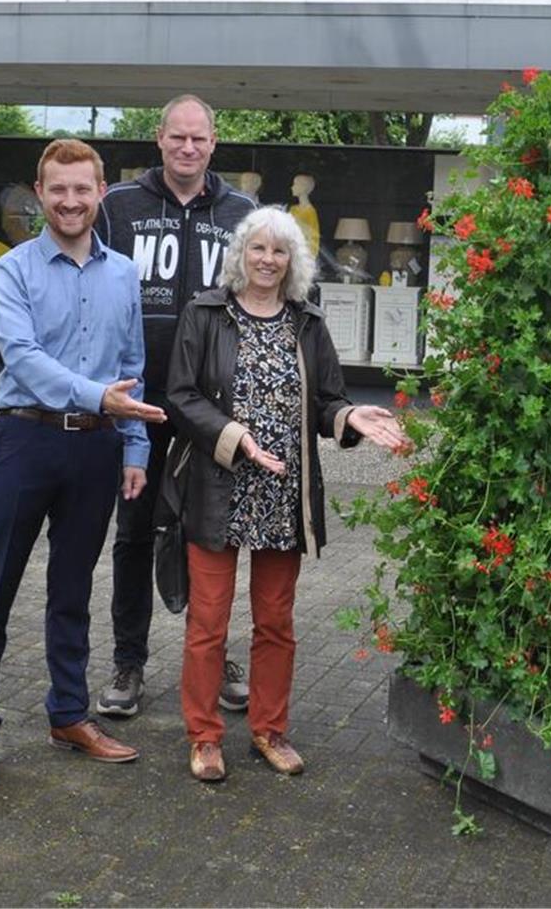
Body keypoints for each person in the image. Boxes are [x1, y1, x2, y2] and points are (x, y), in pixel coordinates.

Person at [164, 207, 409, 782]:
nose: (268, 260)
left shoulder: (307, 322)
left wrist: (350, 414)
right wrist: (235, 436)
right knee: (208, 624)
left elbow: (327, 401)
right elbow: (180, 396)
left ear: (292, 262)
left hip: (282, 494)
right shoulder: (204, 314)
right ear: (240, 256)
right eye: (258, 249)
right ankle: (204, 737)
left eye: (279, 251)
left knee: (275, 622)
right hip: (218, 489)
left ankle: (270, 730)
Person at [0, 138, 168, 788]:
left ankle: (69, 713)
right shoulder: (12, 270)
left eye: (82, 189)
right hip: (25, 441)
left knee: (72, 593)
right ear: (40, 194)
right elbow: (21, 358)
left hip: (98, 449)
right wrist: (96, 396)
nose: (71, 201)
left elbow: (134, 367)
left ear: (101, 193)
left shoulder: (124, 273)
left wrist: (134, 446)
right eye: (58, 189)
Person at [93, 95, 258, 719]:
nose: (188, 148)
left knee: (210, 537)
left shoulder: (242, 214)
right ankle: (128, 663)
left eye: (199, 139)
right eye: (177, 138)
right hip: (137, 406)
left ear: (214, 143)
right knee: (134, 534)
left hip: (212, 413)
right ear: (159, 139)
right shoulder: (118, 209)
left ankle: (212, 659)